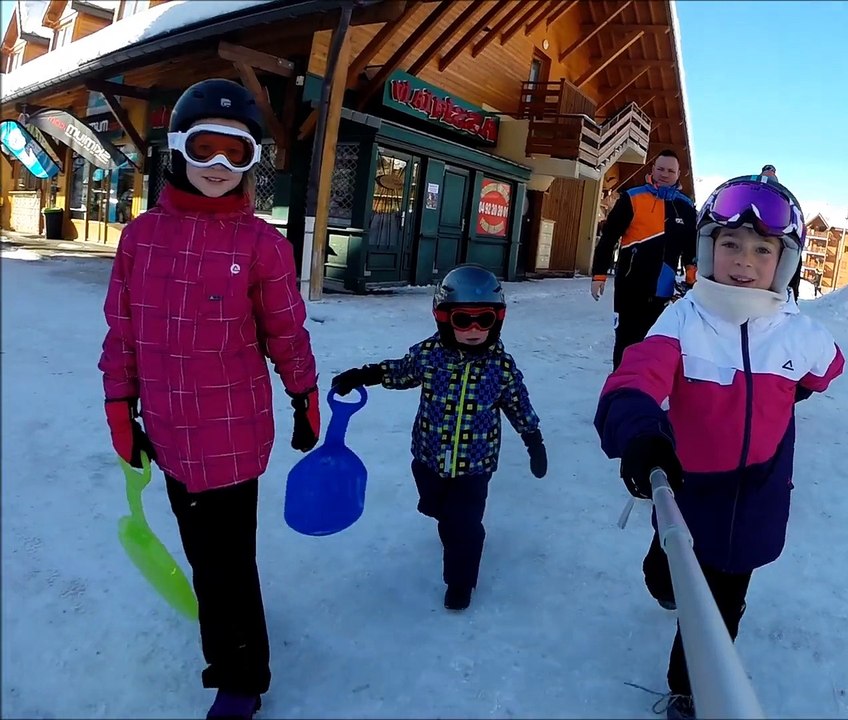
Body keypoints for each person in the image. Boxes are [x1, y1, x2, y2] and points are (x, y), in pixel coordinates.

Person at [98, 78, 320, 720]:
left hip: (233, 432)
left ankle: (241, 675)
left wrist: (303, 392)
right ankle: (231, 625)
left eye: (237, 152)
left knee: (226, 561)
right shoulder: (141, 238)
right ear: (178, 150)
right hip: (169, 432)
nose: (219, 167)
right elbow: (124, 331)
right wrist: (121, 406)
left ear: (253, 162)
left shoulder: (262, 246)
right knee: (206, 554)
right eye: (205, 149)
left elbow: (285, 329)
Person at [594, 175, 844, 719]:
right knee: (674, 565)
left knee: (721, 602)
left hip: (759, 490)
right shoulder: (684, 319)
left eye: (762, 249)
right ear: (708, 248)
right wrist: (639, 432)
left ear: (784, 260)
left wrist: (780, 390)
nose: (743, 261)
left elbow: (828, 370)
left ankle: (691, 687)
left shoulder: (796, 331)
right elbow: (633, 380)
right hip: (690, 485)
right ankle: (660, 568)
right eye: (730, 244)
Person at [329, 264, 546, 612]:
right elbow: (401, 371)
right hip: (428, 457)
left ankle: (461, 582)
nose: (474, 330)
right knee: (436, 507)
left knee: (463, 525)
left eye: (484, 320)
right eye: (463, 320)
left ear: (498, 320)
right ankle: (447, 520)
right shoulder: (430, 355)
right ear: (444, 319)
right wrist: (366, 374)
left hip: (475, 465)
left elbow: (519, 403)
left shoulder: (500, 367)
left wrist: (533, 439)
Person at [590, 150, 698, 369]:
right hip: (630, 289)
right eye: (660, 169)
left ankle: (645, 393)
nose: (664, 174)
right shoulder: (632, 197)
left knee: (655, 344)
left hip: (664, 290)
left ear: (679, 174)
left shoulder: (685, 206)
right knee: (626, 343)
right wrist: (599, 274)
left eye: (670, 170)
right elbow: (609, 237)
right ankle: (619, 391)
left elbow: (690, 249)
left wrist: (692, 281)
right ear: (652, 170)